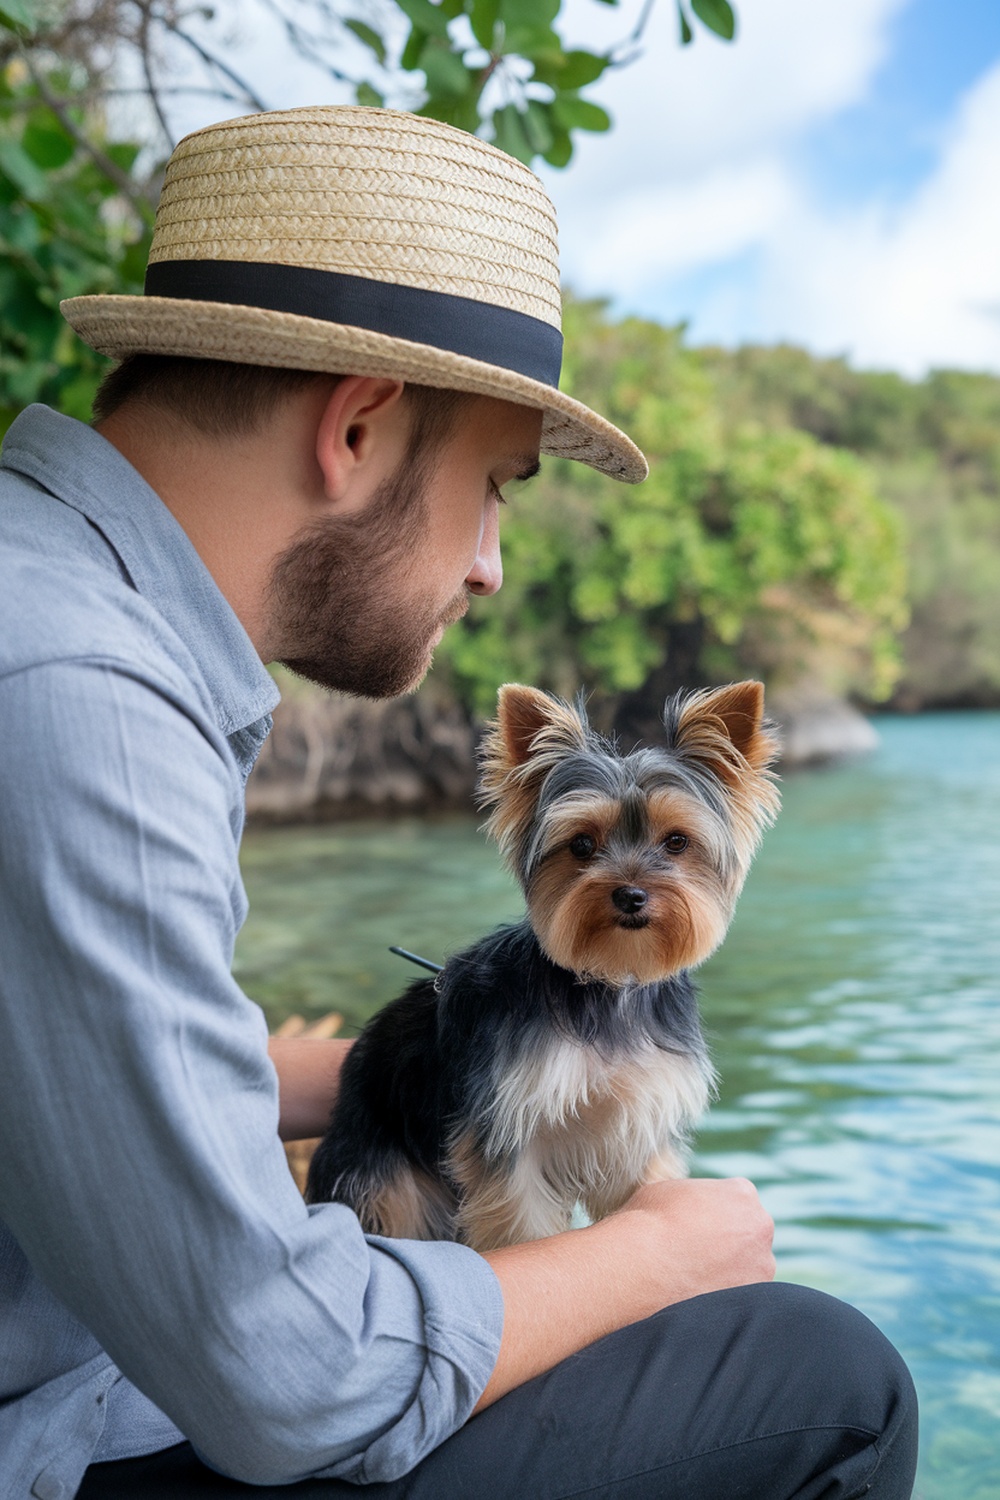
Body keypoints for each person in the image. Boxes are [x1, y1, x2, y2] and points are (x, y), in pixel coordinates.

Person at [0, 106, 917, 1500]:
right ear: (359, 425)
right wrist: (661, 1250)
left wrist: (321, 1066)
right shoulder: (82, 698)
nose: (488, 565)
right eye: (493, 486)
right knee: (823, 1375)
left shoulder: (49, 601)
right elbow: (286, 1381)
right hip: (65, 1433)